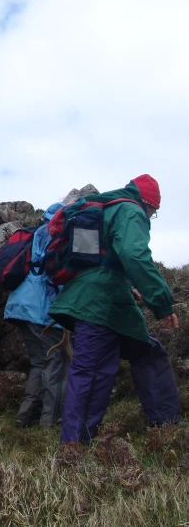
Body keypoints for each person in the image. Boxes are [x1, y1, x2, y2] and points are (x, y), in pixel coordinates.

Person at [48, 174, 181, 444]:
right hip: (101, 305)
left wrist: (126, 286)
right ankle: (73, 449)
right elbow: (133, 254)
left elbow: (104, 262)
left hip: (98, 297)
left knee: (149, 352)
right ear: (147, 203)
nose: (152, 216)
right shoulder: (131, 210)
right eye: (154, 211)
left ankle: (165, 426)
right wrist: (161, 301)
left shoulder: (108, 207)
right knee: (93, 371)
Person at [4, 203, 69, 428]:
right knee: (56, 362)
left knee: (40, 363)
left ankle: (26, 417)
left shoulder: (34, 235)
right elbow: (57, 274)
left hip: (20, 307)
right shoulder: (55, 235)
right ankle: (51, 423)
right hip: (41, 310)